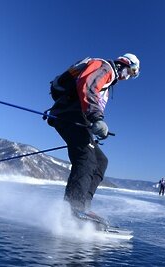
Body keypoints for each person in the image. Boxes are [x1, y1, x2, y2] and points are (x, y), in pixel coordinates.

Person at [46, 53, 140, 219]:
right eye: (131, 72)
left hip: (77, 119)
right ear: (125, 64)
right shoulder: (105, 68)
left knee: (101, 162)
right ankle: (72, 209)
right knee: (86, 159)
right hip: (68, 115)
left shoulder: (110, 80)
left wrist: (93, 126)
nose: (128, 77)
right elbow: (87, 85)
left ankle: (83, 205)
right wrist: (97, 119)